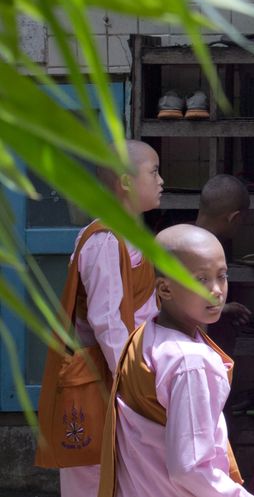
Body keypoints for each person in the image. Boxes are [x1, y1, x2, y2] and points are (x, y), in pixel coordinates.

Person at [35, 142, 163, 497]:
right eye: (153, 172)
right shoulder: (105, 240)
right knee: (93, 476)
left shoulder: (129, 236)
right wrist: (133, 381)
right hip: (106, 377)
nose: (161, 181)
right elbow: (108, 322)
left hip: (125, 372)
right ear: (125, 182)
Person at [99, 224, 248, 496]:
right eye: (200, 279)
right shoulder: (190, 362)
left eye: (222, 276)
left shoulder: (145, 336)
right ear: (165, 290)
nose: (216, 290)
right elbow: (189, 468)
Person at [192, 175, 252, 357]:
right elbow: (178, 297)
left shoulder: (177, 238)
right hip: (194, 352)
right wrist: (222, 308)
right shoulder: (197, 248)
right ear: (234, 217)